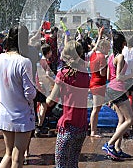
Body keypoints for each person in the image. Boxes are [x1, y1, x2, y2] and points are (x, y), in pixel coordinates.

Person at [0, 26, 37, 168]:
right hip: (22, 114)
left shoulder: (0, 59)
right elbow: (29, 93)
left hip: (5, 112)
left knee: (8, 154)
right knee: (18, 158)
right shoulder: (24, 62)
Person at [46, 40, 90, 168]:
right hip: (81, 127)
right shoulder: (85, 74)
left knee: (61, 165)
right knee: (73, 164)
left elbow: (50, 101)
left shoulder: (63, 74)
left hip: (67, 127)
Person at [102, 32, 133, 159]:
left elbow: (107, 76)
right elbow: (119, 77)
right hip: (118, 90)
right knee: (130, 120)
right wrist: (132, 75)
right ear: (123, 44)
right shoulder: (120, 57)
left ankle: (117, 148)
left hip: (111, 89)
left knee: (122, 120)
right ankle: (110, 144)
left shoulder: (111, 56)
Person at [89, 39, 110, 138]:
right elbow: (102, 73)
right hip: (99, 84)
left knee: (96, 108)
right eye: (108, 47)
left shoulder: (93, 54)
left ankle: (92, 127)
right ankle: (93, 131)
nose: (109, 49)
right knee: (96, 109)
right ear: (103, 47)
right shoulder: (101, 57)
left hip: (93, 81)